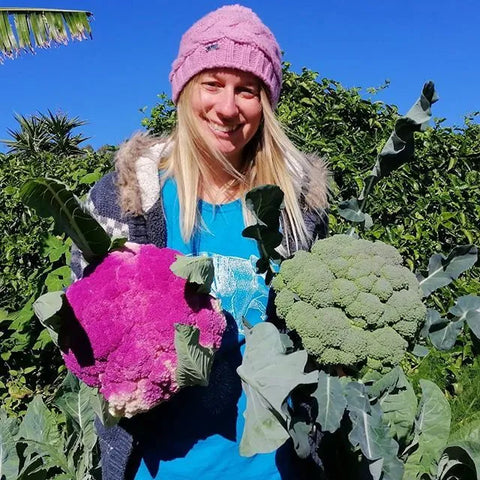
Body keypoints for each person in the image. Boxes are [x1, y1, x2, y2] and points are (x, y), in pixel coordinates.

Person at [72, 4, 329, 479]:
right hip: (160, 468)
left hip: (276, 469)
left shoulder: (299, 206)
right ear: (185, 90)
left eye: (247, 90)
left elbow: (319, 341)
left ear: (265, 104)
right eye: (212, 84)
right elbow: (81, 338)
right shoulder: (128, 197)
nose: (228, 108)